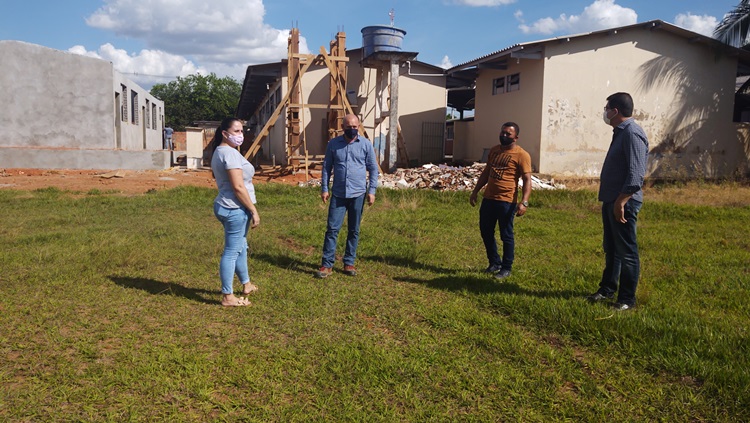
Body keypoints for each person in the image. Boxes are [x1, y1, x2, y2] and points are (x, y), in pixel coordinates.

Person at [587, 92, 649, 311]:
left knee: (627, 252)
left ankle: (626, 299)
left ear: (615, 110)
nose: (605, 111)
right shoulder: (620, 132)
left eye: (607, 108)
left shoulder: (632, 133)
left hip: (624, 202)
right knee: (612, 249)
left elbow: (636, 175)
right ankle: (607, 289)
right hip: (612, 200)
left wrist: (621, 201)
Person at [315, 114, 379, 278]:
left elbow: (373, 169)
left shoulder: (365, 145)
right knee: (332, 229)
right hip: (338, 193)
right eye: (349, 126)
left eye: (355, 126)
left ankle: (349, 262)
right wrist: (324, 188)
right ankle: (327, 264)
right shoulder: (333, 144)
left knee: (354, 230)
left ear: (359, 126)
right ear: (343, 127)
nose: (352, 129)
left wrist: (372, 191)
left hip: (358, 193)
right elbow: (326, 168)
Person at [469, 122, 532, 279]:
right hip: (489, 198)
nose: (504, 135)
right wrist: (475, 191)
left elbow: (527, 179)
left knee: (506, 235)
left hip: (507, 201)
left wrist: (524, 202)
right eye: (502, 132)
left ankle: (506, 267)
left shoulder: (522, 155)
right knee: (486, 231)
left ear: (515, 137)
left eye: (508, 134)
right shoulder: (494, 151)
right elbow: (486, 172)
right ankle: (494, 263)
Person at [210, 117, 260, 306]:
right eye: (237, 131)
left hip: (227, 205)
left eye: (242, 131)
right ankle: (227, 296)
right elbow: (238, 187)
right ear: (225, 133)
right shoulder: (229, 154)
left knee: (241, 246)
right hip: (235, 208)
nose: (241, 135)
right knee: (232, 251)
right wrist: (253, 210)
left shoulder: (222, 151)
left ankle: (246, 284)